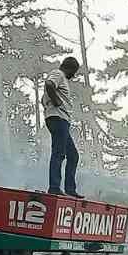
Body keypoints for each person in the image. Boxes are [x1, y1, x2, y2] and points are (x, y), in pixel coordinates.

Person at [43, 56, 82, 197]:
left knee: (73, 155)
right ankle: (54, 187)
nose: (74, 75)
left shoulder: (62, 78)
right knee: (59, 153)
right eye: (74, 71)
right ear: (69, 68)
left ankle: (70, 189)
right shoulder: (58, 74)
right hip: (58, 118)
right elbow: (49, 84)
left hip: (61, 119)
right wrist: (57, 101)